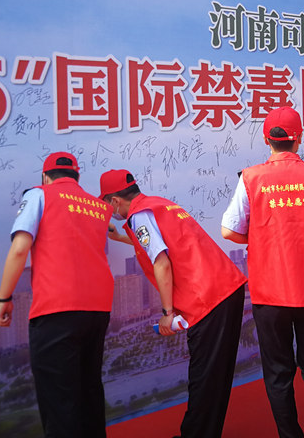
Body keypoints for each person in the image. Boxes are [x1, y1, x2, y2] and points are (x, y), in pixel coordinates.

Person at [221, 106, 304, 438]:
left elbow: (228, 231)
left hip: (271, 295)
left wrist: (263, 236)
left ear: (267, 140)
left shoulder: (251, 177)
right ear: (299, 138)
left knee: (279, 374)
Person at [99, 169, 246, 438]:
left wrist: (167, 312)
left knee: (204, 377)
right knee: (215, 375)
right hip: (226, 288)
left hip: (207, 298)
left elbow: (161, 262)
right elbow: (156, 242)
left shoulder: (138, 216)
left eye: (108, 204)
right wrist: (119, 237)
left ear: (114, 201)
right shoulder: (160, 205)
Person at [0, 152, 114, 438]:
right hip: (98, 309)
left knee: (60, 402)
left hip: (57, 309)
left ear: (45, 177)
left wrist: (4, 298)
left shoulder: (38, 194)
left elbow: (20, 249)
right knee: (89, 392)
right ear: (77, 176)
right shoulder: (100, 207)